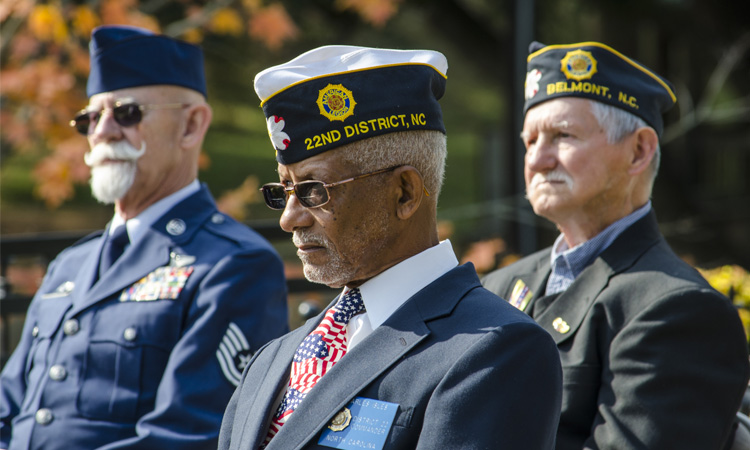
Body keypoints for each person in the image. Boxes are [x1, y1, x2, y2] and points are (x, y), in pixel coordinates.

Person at [218, 45, 563, 450]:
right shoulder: (273, 360)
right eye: (283, 190)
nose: (289, 218)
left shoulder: (493, 352)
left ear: (404, 193)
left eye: (313, 190)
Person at [0, 25, 289, 449]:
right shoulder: (71, 263)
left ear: (191, 124)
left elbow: (191, 436)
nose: (102, 132)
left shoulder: (234, 264)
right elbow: (9, 404)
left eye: (127, 113)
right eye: (90, 118)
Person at [482, 41, 750, 449]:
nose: (537, 160)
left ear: (639, 151)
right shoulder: (498, 287)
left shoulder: (677, 310)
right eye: (529, 140)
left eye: (561, 136)